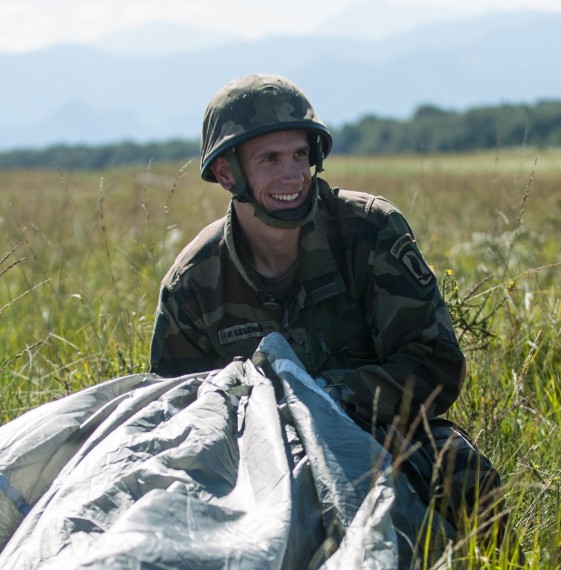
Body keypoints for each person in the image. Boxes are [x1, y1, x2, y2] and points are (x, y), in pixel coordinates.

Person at [150, 73, 503, 540]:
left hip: (377, 432)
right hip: (253, 463)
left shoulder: (370, 231)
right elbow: (175, 415)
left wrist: (326, 395)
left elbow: (435, 366)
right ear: (226, 173)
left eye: (300, 155)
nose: (292, 176)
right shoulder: (194, 280)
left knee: (460, 470)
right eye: (270, 159)